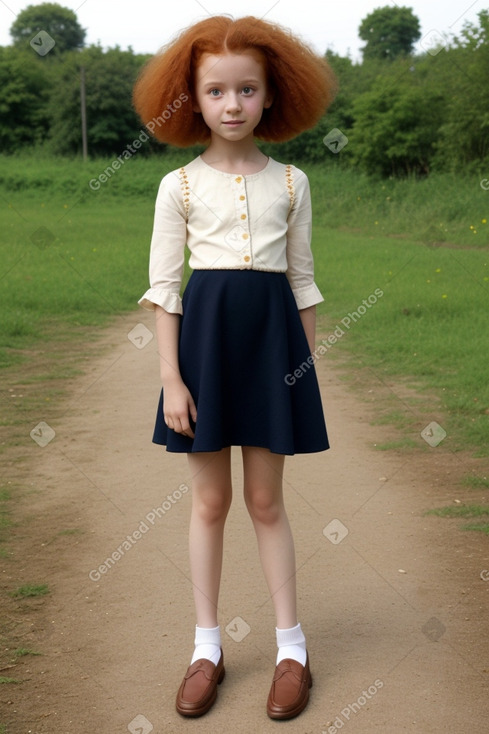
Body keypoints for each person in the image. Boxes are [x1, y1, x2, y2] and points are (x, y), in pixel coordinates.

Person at [133, 15, 336, 721]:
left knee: (264, 502)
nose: (230, 104)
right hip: (204, 354)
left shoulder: (293, 181)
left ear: (269, 95)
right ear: (192, 98)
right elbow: (164, 291)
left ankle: (291, 649)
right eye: (215, 91)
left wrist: (303, 371)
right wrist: (170, 380)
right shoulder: (177, 187)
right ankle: (207, 647)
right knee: (209, 503)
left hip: (272, 352)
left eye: (245, 89)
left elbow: (302, 283)